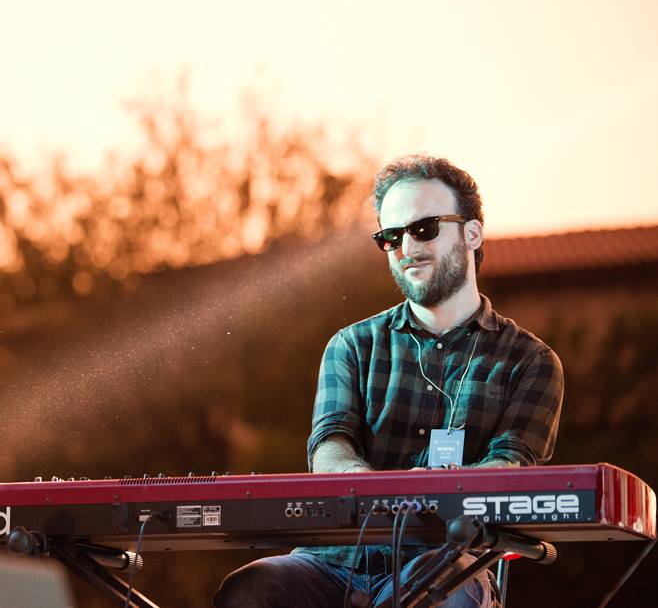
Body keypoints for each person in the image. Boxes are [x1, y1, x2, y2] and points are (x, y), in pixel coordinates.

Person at [213, 154, 564, 607]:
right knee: (251, 589)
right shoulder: (351, 345)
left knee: (442, 595)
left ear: (472, 233)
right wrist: (366, 484)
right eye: (391, 236)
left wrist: (434, 489)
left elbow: (512, 464)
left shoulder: (532, 361)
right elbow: (330, 443)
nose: (406, 248)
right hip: (332, 561)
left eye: (424, 229)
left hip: (445, 561)